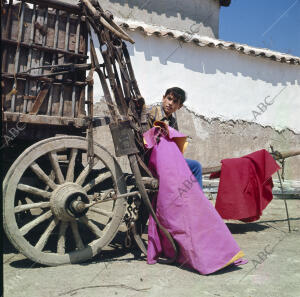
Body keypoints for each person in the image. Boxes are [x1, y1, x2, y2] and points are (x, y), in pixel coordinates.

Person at [146, 87, 203, 188]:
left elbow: (174, 143)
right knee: (195, 167)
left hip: (167, 158)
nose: (170, 103)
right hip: (154, 158)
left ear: (180, 106)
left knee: (195, 165)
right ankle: (197, 201)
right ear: (163, 98)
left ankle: (192, 198)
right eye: (169, 98)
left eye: (175, 101)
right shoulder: (151, 112)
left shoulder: (173, 121)